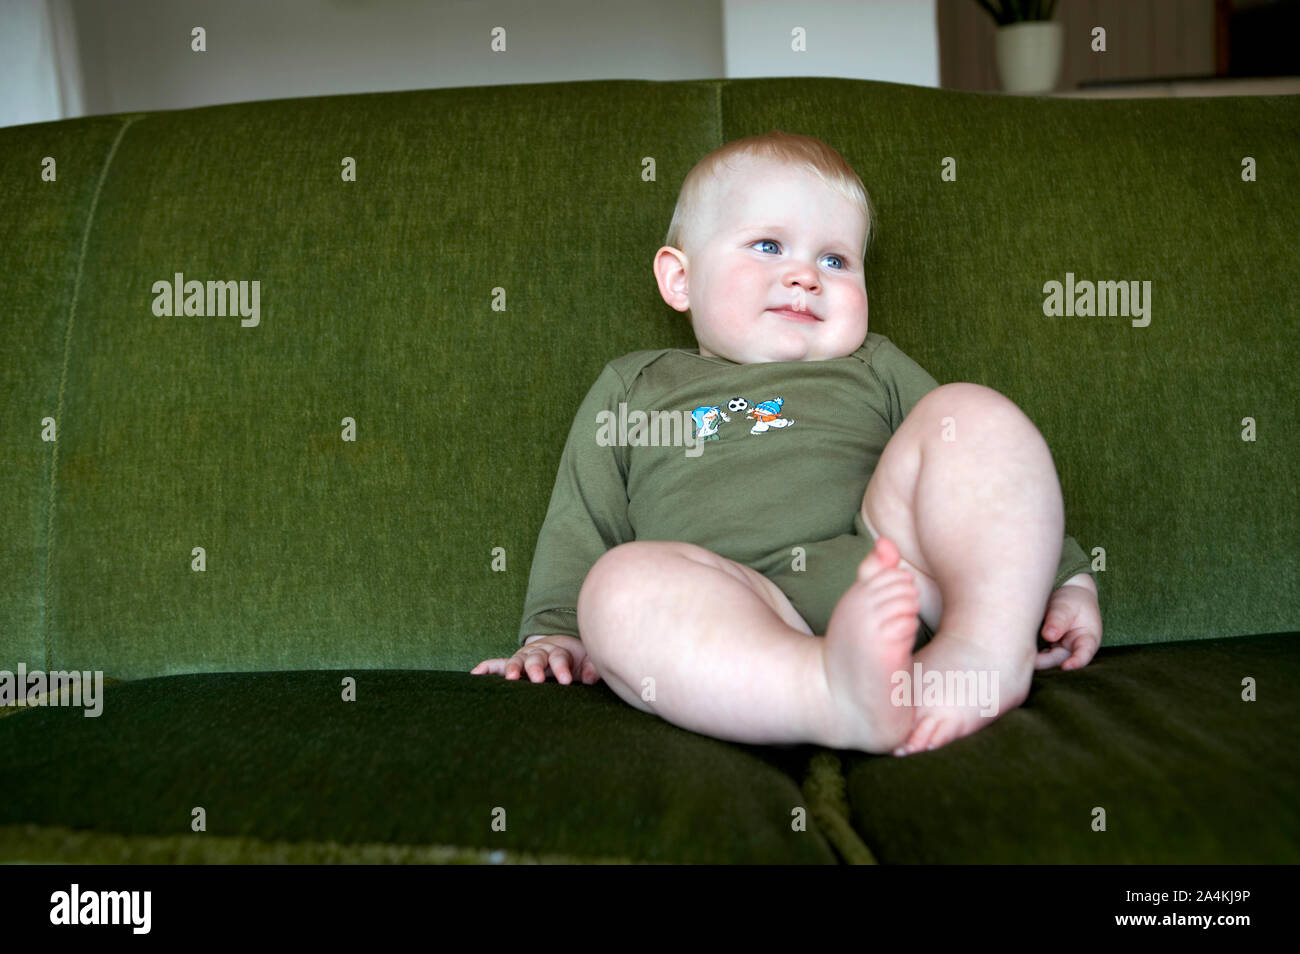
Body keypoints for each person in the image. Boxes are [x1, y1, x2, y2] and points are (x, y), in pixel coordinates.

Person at [472, 130, 1101, 757]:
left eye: (836, 261)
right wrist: (551, 634)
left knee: (969, 412)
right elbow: (582, 517)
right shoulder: (636, 385)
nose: (804, 276)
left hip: (894, 571)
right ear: (680, 280)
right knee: (619, 584)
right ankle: (828, 692)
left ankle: (983, 650)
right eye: (768, 246)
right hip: (735, 609)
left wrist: (1064, 580)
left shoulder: (872, 364)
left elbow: (978, 482)